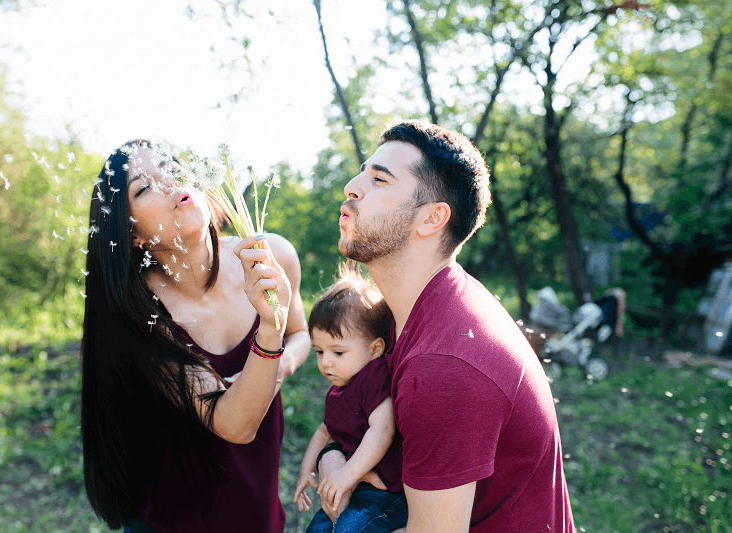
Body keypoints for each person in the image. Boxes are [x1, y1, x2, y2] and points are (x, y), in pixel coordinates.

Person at [319, 120, 576, 532]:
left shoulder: (444, 362)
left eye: (379, 179)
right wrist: (330, 455)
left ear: (431, 219)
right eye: (362, 171)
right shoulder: (413, 310)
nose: (352, 186)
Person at [80, 140, 311, 533]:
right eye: (144, 187)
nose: (169, 182)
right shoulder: (138, 313)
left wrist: (282, 364)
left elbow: (300, 334)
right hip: (173, 521)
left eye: (170, 166)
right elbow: (234, 424)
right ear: (131, 233)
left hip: (258, 510)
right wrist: (268, 330)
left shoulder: (273, 255)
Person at [293, 267, 407, 533]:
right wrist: (306, 471)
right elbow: (324, 432)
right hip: (352, 487)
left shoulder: (374, 377)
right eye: (320, 351)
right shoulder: (341, 387)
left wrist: (347, 474)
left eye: (338, 352)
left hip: (384, 494)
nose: (326, 362)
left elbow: (383, 429)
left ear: (375, 349)